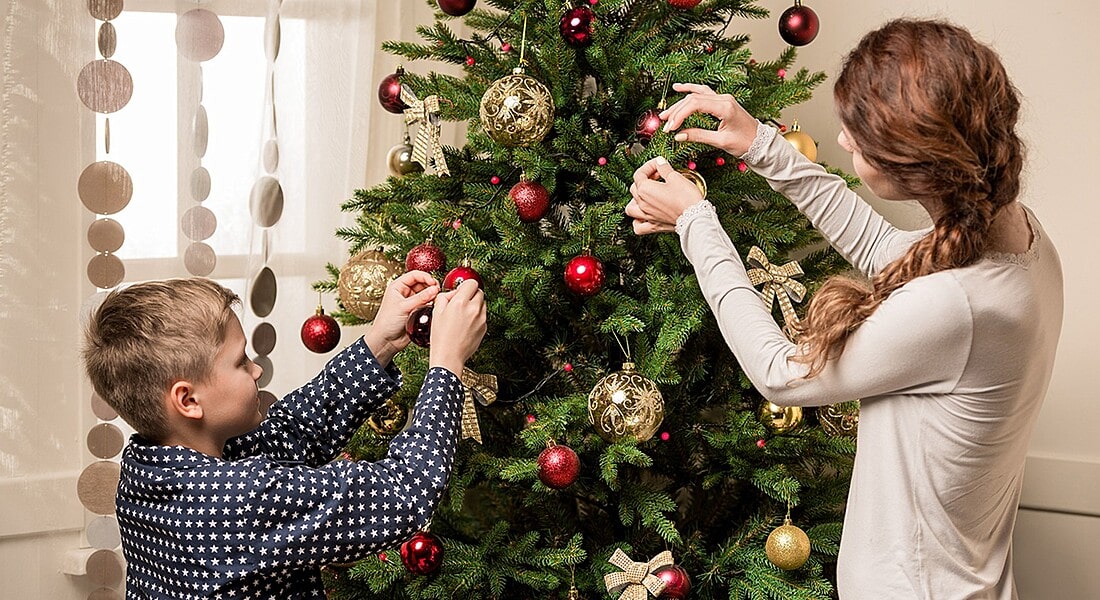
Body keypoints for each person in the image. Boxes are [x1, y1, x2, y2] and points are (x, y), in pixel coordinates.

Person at [625, 19, 1063, 600]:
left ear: (912, 163)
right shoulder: (1022, 240)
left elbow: (782, 374)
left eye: (858, 136)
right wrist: (760, 144)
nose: (845, 140)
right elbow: (885, 249)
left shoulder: (959, 307)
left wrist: (696, 223)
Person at [82, 272, 486, 599]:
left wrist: (381, 341)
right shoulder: (236, 500)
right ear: (188, 400)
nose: (256, 371)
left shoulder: (148, 470)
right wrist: (447, 364)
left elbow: (292, 432)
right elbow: (404, 493)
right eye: (241, 363)